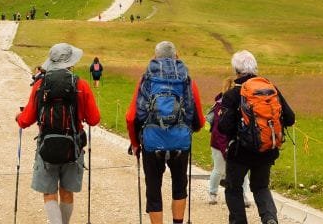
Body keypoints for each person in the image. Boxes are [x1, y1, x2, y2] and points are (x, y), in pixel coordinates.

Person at [17, 43, 100, 224]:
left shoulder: (40, 84)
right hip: (73, 147)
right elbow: (94, 119)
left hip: (46, 146)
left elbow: (26, 119)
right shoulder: (81, 85)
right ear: (70, 62)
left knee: (49, 192)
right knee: (66, 192)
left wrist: (19, 118)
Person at [126, 41, 205, 224]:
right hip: (180, 142)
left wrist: (136, 143)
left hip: (152, 143)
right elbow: (198, 118)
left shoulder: (146, 79)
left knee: (153, 190)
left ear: (155, 57)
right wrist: (190, 129)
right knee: (180, 187)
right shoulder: (186, 80)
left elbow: (131, 117)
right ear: (176, 56)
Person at [218, 50, 295, 224]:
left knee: (233, 188)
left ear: (236, 70)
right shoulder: (270, 89)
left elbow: (224, 127)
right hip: (266, 149)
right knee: (261, 187)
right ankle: (269, 218)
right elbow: (290, 118)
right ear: (255, 67)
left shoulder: (232, 94)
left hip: (239, 153)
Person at [207, 78, 252, 206]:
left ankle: (244, 195)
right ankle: (213, 193)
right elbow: (218, 131)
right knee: (219, 169)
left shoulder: (241, 105)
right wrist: (225, 149)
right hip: (218, 144)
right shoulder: (221, 106)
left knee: (241, 171)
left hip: (235, 144)